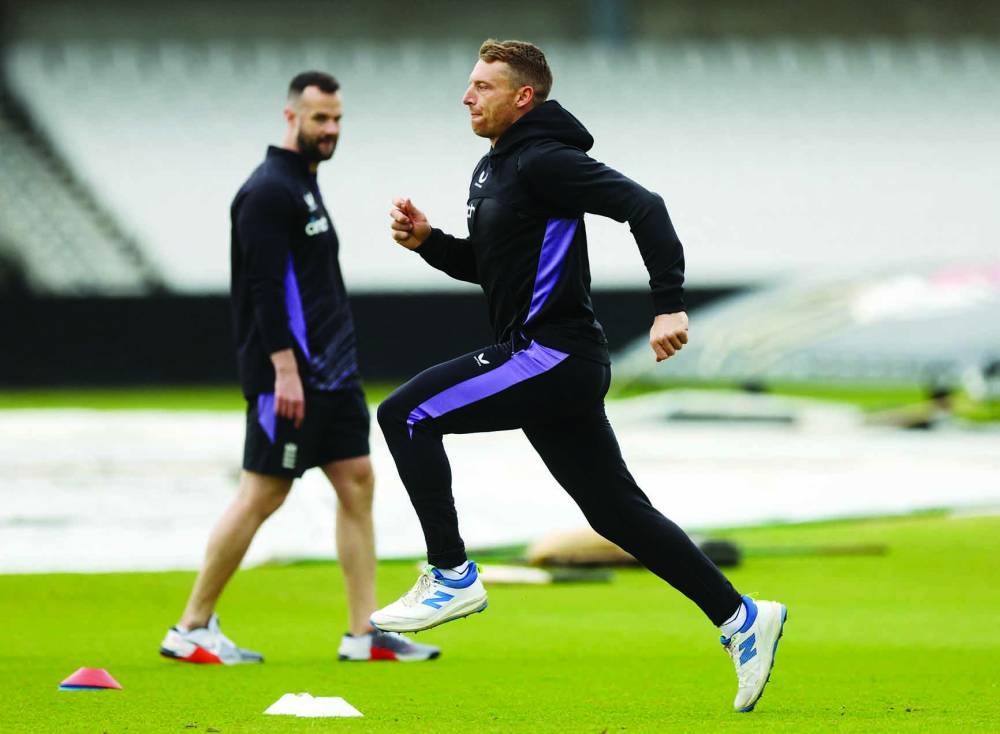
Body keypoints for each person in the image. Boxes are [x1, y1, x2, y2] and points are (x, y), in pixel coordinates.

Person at [370, 40, 786, 711]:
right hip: (550, 361)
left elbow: (643, 205)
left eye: (482, 85)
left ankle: (450, 574)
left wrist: (668, 304)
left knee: (406, 414)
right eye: (469, 83)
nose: (467, 95)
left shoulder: (547, 161)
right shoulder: (493, 169)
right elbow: (492, 267)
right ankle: (742, 618)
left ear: (523, 97)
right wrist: (429, 244)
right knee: (616, 512)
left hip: (551, 354)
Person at [159, 71, 439, 665]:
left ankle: (364, 634)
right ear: (292, 118)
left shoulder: (304, 186)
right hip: (292, 379)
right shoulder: (267, 192)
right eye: (320, 119)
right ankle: (190, 627)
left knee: (358, 480)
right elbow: (262, 289)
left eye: (337, 119)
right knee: (262, 494)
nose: (331, 129)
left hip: (333, 376)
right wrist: (284, 370)